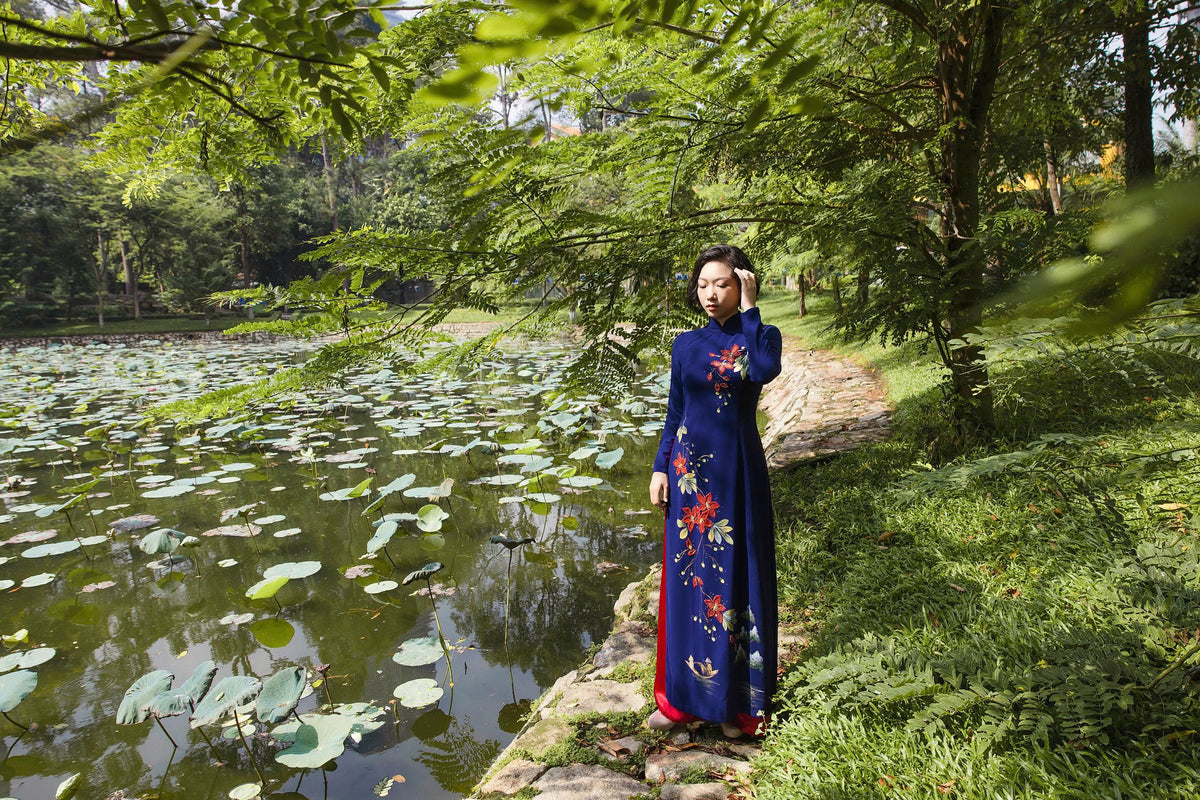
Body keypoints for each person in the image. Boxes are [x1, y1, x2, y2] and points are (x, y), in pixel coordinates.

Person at [647, 244, 783, 738]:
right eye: (703, 284)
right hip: (688, 481)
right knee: (689, 586)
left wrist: (749, 309)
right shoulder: (685, 344)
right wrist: (661, 466)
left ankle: (737, 707)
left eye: (721, 283)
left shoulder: (762, 336)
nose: (709, 293)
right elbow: (675, 412)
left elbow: (763, 371)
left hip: (737, 476)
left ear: (742, 283)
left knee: (736, 582)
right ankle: (682, 699)